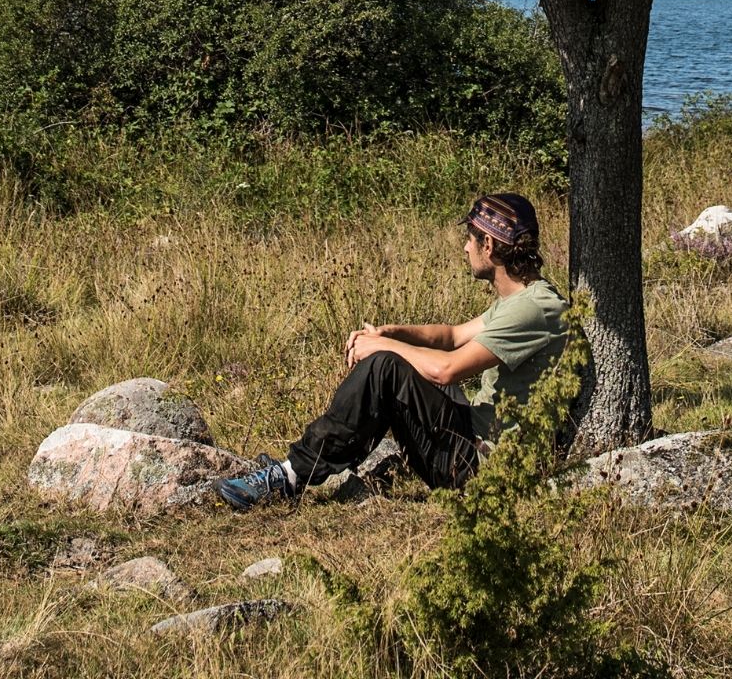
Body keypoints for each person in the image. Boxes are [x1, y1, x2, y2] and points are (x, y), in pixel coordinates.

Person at [217, 191, 567, 510]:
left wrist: (383, 346)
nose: (465, 248)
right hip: (471, 438)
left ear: (488, 245)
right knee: (392, 364)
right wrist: (393, 332)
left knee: (385, 367)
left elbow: (447, 369)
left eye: (470, 239)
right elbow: (452, 336)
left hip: (483, 468)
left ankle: (290, 476)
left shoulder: (534, 308)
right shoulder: (524, 300)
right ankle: (302, 465)